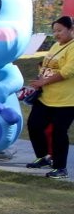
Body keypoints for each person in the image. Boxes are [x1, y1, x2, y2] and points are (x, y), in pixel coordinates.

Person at [26, 16, 74, 178]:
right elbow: (48, 64)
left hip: (66, 100)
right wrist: (40, 78)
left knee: (59, 133)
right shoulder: (55, 45)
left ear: (71, 29)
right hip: (46, 97)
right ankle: (43, 157)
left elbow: (67, 72)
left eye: (60, 30)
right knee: (34, 125)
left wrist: (44, 81)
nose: (56, 34)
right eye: (54, 31)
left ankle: (60, 168)